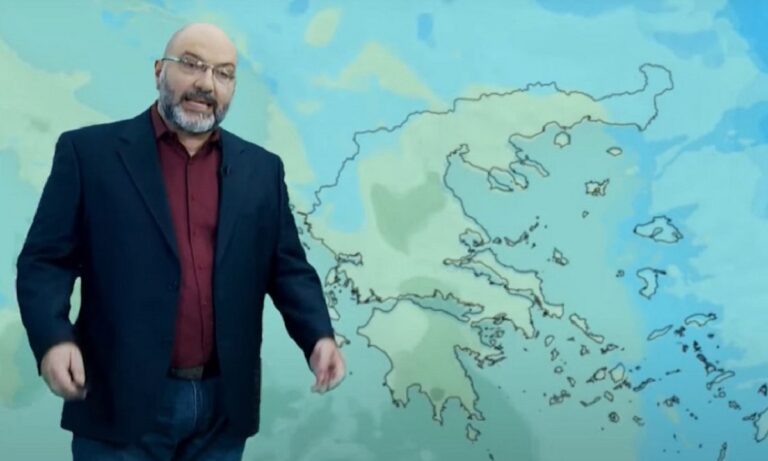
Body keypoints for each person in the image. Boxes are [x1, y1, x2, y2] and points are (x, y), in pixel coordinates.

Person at [15, 22, 345, 460]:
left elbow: (286, 268)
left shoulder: (262, 170)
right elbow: (45, 261)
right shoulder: (90, 154)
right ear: (159, 70)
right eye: (191, 64)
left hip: (222, 411)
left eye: (224, 73)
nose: (206, 83)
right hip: (118, 401)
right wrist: (54, 339)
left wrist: (318, 336)